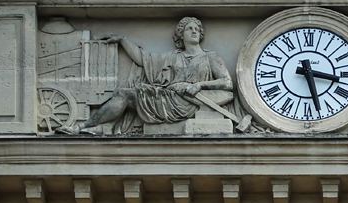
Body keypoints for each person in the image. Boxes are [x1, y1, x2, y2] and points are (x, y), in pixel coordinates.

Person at [58, 16, 233, 134]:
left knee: (125, 94)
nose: (194, 31)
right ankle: (94, 126)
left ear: (201, 34)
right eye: (189, 29)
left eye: (197, 29)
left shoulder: (210, 57)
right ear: (181, 35)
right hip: (168, 98)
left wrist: (198, 85)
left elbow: (227, 82)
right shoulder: (172, 57)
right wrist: (122, 40)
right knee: (125, 93)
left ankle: (84, 126)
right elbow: (144, 59)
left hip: (191, 102)